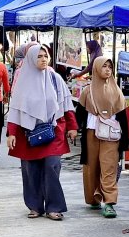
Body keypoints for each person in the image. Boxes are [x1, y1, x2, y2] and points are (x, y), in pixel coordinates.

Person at [7, 44, 78, 221]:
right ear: (31, 59)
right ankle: (35, 206)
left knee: (52, 167)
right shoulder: (22, 81)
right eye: (39, 56)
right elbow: (15, 109)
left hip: (53, 131)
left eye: (45, 56)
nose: (43, 59)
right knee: (31, 170)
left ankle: (54, 207)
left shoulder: (55, 78)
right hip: (28, 133)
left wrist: (72, 126)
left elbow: (66, 104)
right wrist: (11, 133)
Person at [77, 56, 129, 218]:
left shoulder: (117, 91)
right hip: (91, 134)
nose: (107, 70)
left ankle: (109, 202)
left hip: (111, 137)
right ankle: (93, 198)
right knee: (91, 167)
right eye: (104, 66)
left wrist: (124, 142)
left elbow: (123, 118)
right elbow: (79, 114)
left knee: (109, 168)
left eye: (110, 67)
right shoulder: (87, 90)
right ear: (96, 69)